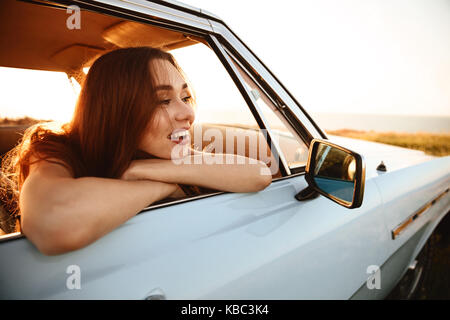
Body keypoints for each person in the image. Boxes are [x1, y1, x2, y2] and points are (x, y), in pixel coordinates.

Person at [0, 47, 271, 255]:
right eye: (163, 100)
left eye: (185, 97)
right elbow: (53, 223)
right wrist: (166, 183)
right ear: (117, 111)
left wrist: (142, 171)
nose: (187, 113)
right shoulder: (52, 148)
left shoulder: (166, 152)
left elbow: (259, 174)